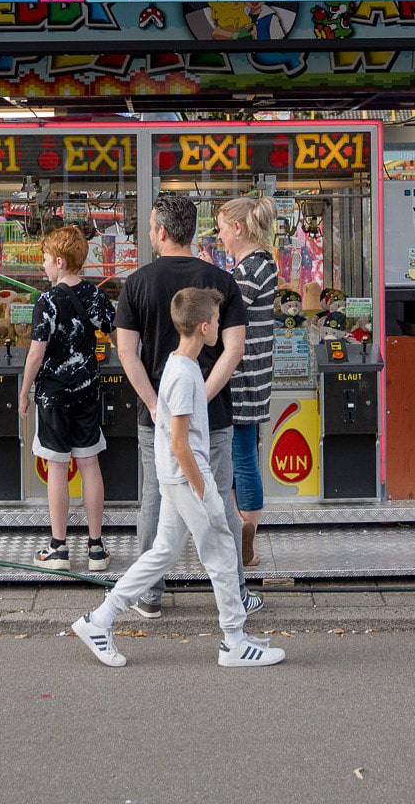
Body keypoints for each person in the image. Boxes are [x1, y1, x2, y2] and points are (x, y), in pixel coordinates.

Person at [70, 287, 283, 669]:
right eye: (216, 320)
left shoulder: (178, 364)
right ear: (204, 327)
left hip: (175, 477)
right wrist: (206, 494)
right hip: (187, 480)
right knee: (221, 552)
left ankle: (100, 619)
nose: (219, 325)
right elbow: (182, 444)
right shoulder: (185, 375)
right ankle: (234, 641)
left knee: (163, 553)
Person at [115, 192, 249, 619]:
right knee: (219, 498)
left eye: (150, 226)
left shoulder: (137, 283)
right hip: (214, 416)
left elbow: (127, 352)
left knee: (155, 501)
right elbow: (234, 348)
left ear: (161, 231)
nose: (149, 232)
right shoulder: (221, 281)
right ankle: (235, 594)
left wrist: (158, 404)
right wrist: (200, 399)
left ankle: (148, 596)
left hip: (155, 418)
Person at [18, 225, 114, 573]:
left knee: (58, 467)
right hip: (88, 391)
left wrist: (24, 391)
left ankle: (58, 547)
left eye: (45, 259)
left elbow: (36, 353)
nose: (43, 265)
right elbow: (115, 330)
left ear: (59, 261)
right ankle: (96, 547)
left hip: (53, 396)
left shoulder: (47, 301)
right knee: (90, 464)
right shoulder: (95, 294)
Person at [217, 195, 278, 568]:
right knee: (244, 454)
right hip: (254, 374)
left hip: (241, 377)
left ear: (238, 228)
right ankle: (243, 534)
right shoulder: (263, 263)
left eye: (222, 229)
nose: (220, 237)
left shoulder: (248, 271)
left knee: (240, 458)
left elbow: (220, 317)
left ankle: (246, 540)